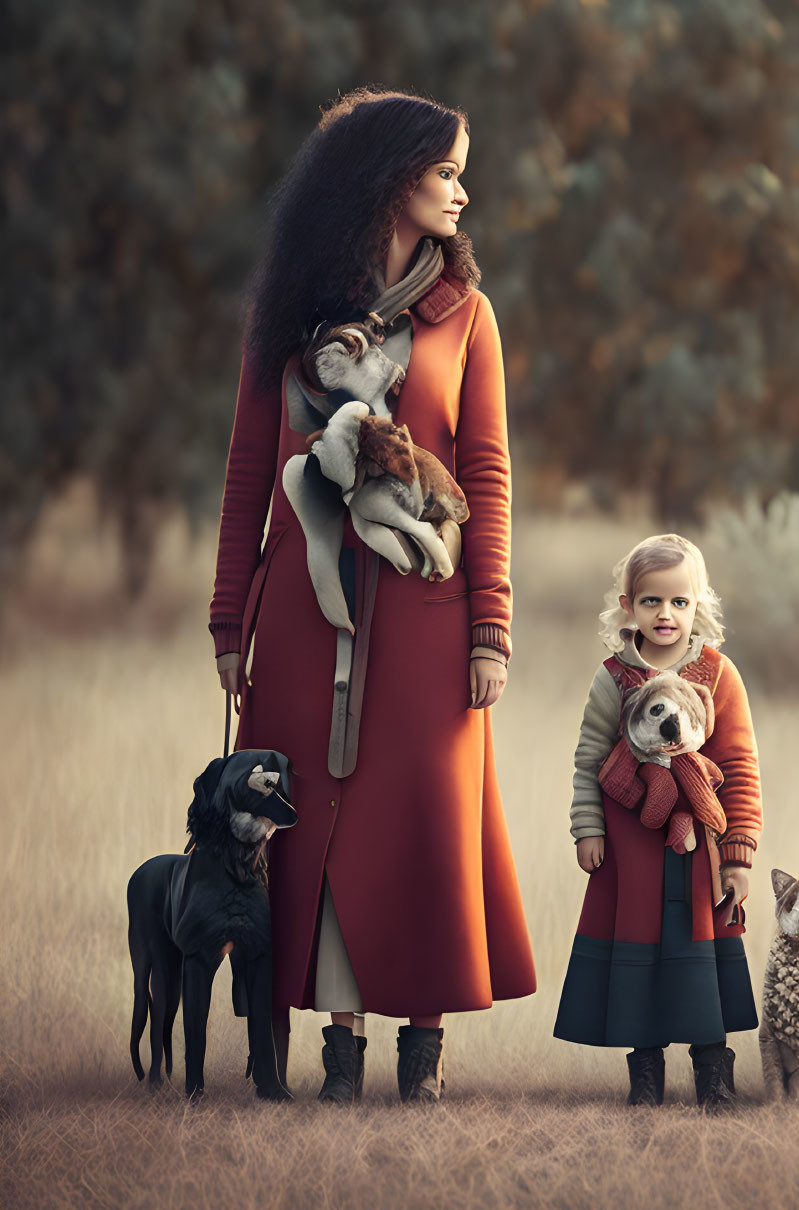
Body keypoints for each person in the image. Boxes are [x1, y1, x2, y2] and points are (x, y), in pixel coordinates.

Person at [209, 88, 535, 1104]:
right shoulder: (288, 314)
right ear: (386, 180)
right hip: (303, 617)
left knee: (426, 825)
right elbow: (249, 472)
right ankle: (338, 1053)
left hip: (429, 620)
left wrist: (491, 626)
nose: (459, 191)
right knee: (314, 823)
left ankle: (421, 1054)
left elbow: (486, 475)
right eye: (444, 172)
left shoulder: (464, 316)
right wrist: (230, 617)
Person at [553, 534, 762, 1110]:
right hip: (631, 847)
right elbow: (591, 758)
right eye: (650, 602)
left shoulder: (719, 675)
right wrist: (588, 827)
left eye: (679, 602)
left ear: (700, 605)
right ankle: (645, 1077)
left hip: (700, 848)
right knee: (639, 955)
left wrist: (739, 856)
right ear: (627, 605)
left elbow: (739, 767)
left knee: (700, 959)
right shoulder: (612, 677)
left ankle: (714, 1077)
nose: (665, 615)